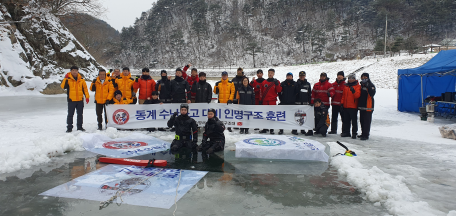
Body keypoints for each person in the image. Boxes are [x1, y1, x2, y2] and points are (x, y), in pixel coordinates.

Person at [61, 66, 90, 132]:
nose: (74, 72)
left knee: (80, 114)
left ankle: (80, 127)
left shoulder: (81, 79)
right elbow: (63, 87)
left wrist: (87, 97)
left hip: (80, 100)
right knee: (70, 115)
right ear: (71, 71)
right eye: (73, 70)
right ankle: (69, 127)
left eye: (76, 70)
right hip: (71, 100)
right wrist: (65, 78)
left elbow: (85, 89)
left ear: (78, 71)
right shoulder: (68, 79)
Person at [259, 68, 282, 134]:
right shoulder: (264, 82)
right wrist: (260, 100)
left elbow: (279, 90)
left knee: (272, 115)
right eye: (269, 73)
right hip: (265, 101)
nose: (270, 74)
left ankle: (272, 129)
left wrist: (277, 84)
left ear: (274, 74)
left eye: (271, 73)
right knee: (265, 115)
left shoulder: (276, 82)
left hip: (272, 101)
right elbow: (261, 92)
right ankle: (265, 128)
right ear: (268, 73)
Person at [341, 73, 361, 139]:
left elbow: (357, 96)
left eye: (352, 78)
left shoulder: (357, 86)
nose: (350, 80)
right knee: (346, 120)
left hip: (353, 106)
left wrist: (353, 91)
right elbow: (343, 96)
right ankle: (347, 132)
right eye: (349, 78)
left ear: (354, 79)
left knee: (354, 121)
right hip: (346, 106)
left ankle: (354, 133)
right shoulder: (346, 86)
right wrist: (342, 103)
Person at [358, 73, 376, 140]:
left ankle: (366, 135)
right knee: (362, 121)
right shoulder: (361, 85)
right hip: (362, 106)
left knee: (367, 122)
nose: (363, 78)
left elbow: (372, 93)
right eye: (362, 77)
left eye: (365, 77)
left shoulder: (371, 85)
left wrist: (367, 86)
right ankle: (363, 133)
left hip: (368, 106)